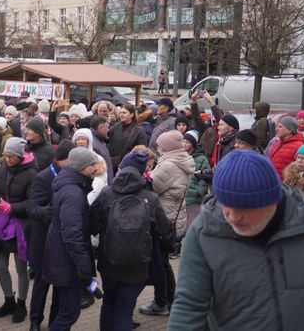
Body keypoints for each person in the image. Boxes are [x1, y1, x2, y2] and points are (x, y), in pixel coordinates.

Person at [169, 150, 304, 330]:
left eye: (243, 208)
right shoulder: (205, 232)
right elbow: (188, 306)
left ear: (271, 200)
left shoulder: (301, 224)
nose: (232, 217)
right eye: (226, 204)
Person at [90, 151, 172, 331]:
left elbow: (92, 226)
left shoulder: (106, 193)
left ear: (122, 168)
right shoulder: (150, 197)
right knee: (125, 311)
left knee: (109, 302)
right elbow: (165, 231)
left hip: (109, 260)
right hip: (138, 263)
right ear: (141, 172)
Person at [42, 147, 99, 330]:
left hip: (60, 258)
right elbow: (72, 236)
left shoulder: (68, 185)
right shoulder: (73, 194)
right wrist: (85, 269)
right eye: (92, 165)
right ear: (82, 167)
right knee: (69, 313)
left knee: (63, 310)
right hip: (67, 262)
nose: (96, 168)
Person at [139, 130, 194, 316]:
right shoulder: (178, 160)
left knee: (160, 264)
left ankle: (164, 302)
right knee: (162, 263)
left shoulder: (170, 165)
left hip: (165, 220)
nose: (157, 147)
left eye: (160, 145)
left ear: (167, 147)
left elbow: (150, 186)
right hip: (173, 218)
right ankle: (168, 301)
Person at [27, 140, 75, 331]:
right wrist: (49, 212)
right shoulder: (43, 177)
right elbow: (32, 208)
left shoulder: (72, 176)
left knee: (59, 284)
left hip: (61, 241)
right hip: (43, 240)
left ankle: (56, 319)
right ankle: (35, 321)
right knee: (41, 285)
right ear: (61, 160)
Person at [0, 137, 37, 324]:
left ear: (20, 156)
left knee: (20, 269)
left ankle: (22, 303)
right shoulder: (3, 168)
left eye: (11, 157)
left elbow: (32, 202)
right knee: (1, 267)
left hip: (21, 227)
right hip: (2, 223)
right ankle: (8, 299)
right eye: (6, 156)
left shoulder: (32, 173)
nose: (7, 160)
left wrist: (10, 207)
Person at [183, 130, 212, 233]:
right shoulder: (179, 156)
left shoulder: (202, 159)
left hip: (194, 199)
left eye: (188, 142)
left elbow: (205, 176)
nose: (184, 144)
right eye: (183, 141)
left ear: (193, 144)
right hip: (182, 196)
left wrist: (198, 190)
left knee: (191, 227)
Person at [108, 103, 147, 173]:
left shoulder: (138, 130)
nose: (121, 115)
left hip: (129, 165)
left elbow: (142, 148)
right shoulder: (115, 127)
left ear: (132, 115)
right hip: (114, 163)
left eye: (124, 113)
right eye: (120, 113)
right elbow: (107, 139)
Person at [90, 116, 114, 182]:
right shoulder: (93, 143)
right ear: (100, 128)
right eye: (107, 127)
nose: (108, 130)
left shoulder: (99, 140)